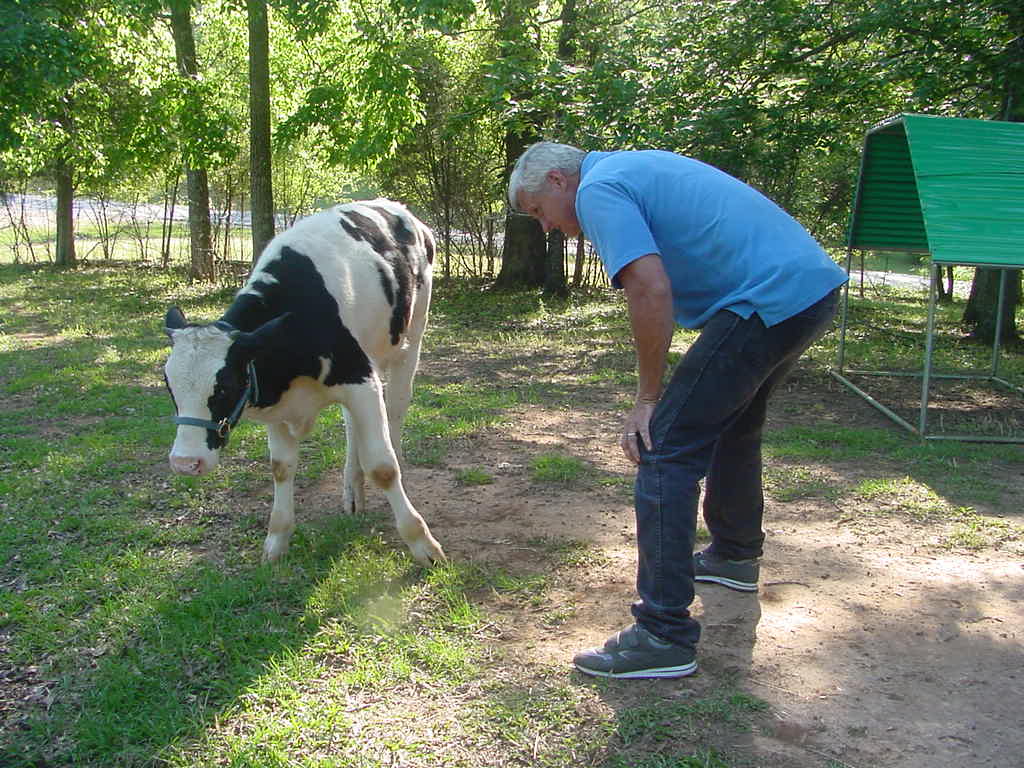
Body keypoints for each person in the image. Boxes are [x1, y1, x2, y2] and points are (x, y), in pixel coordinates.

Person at [507, 142, 848, 679]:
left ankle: (663, 634)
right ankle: (734, 555)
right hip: (807, 290)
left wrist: (647, 399)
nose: (544, 227)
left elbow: (649, 288)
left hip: (768, 297)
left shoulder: (597, 189)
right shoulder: (622, 171)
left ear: (556, 180)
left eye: (537, 212)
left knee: (663, 447)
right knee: (734, 427)